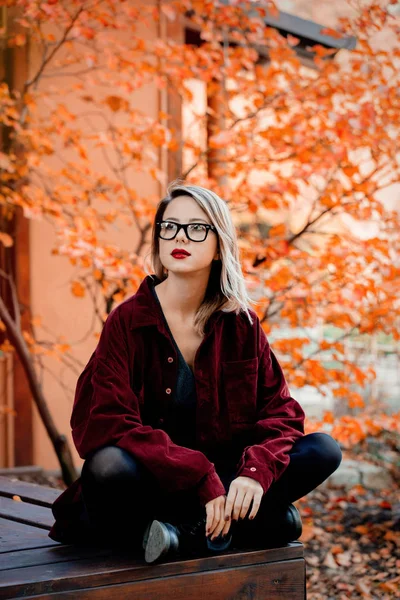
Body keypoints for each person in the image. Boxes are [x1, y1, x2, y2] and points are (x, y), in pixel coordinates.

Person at [48, 180, 342, 563]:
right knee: (107, 466)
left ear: (220, 245)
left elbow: (281, 413)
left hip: (226, 480)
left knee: (323, 449)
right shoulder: (128, 322)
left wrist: (255, 473)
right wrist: (198, 476)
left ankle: (178, 536)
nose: (179, 237)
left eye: (196, 228)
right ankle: (247, 525)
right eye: (169, 226)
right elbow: (106, 423)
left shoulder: (242, 326)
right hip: (155, 481)